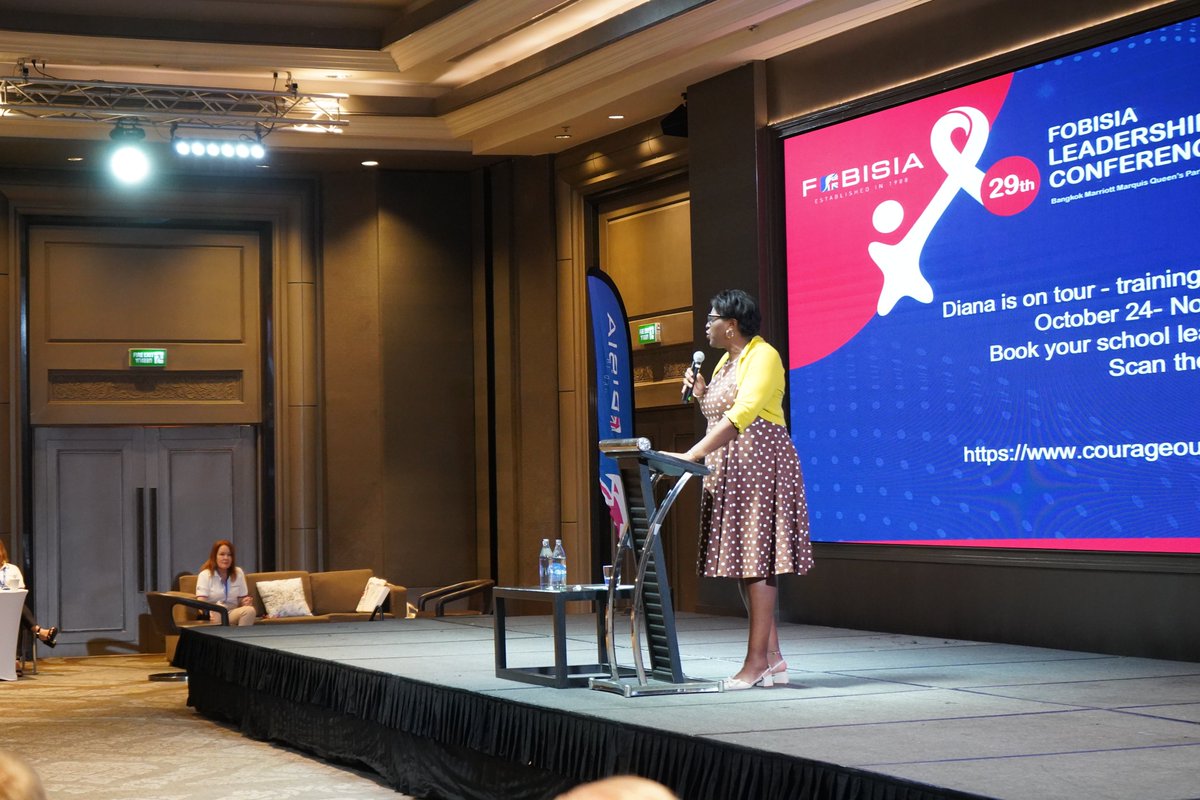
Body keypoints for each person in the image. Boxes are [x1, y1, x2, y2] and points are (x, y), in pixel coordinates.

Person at [674, 289, 813, 690]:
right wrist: (701, 393)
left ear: (731, 325)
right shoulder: (724, 362)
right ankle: (773, 657)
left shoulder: (763, 355)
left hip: (760, 462)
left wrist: (695, 452)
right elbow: (718, 412)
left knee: (757, 560)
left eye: (712, 318)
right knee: (742, 561)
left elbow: (745, 411)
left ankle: (755, 663)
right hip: (730, 467)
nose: (706, 325)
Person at [0, 540, 59, 649]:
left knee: (16, 609)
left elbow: (20, 589)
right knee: (16, 610)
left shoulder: (12, 569)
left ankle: (15, 655)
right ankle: (40, 632)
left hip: (10, 606)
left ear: (2, 551)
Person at [194, 539, 256, 626]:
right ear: (214, 557)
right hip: (215, 612)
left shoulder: (238, 573)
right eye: (222, 554)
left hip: (232, 612)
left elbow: (241, 599)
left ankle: (240, 634)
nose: (226, 558)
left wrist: (245, 602)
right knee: (218, 615)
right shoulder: (205, 575)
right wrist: (209, 613)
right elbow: (201, 605)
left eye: (229, 555)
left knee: (249, 610)